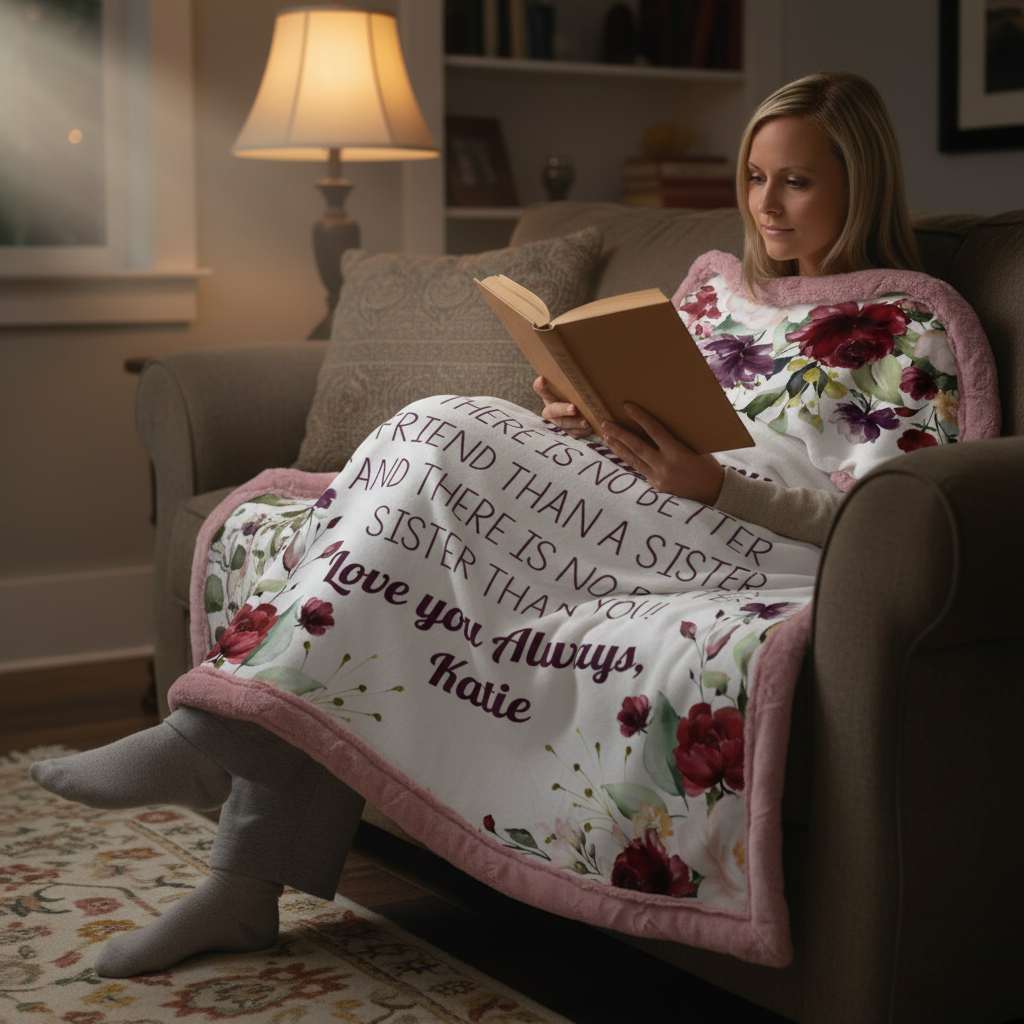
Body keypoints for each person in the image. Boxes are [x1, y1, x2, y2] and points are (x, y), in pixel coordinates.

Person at [30, 70, 926, 978]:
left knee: (442, 425)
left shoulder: (911, 328)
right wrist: (591, 419)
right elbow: (671, 419)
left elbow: (882, 517)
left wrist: (715, 486)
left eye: (796, 181)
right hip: (638, 511)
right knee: (394, 557)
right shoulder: (717, 293)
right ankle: (241, 887)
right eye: (755, 178)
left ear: (859, 181)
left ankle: (216, 742)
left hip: (749, 544)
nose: (766, 204)